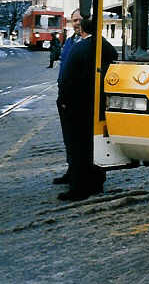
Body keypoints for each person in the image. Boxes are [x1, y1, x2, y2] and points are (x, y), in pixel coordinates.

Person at [57, 15, 117, 201]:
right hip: (96, 102)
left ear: (82, 28)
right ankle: (96, 182)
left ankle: (78, 187)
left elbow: (67, 77)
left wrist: (64, 100)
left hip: (76, 104)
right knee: (93, 143)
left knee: (77, 147)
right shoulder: (104, 45)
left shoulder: (79, 47)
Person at [53, 9, 84, 185]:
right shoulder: (70, 41)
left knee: (79, 138)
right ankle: (71, 169)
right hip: (64, 96)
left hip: (79, 98)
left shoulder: (90, 42)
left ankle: (80, 174)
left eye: (80, 20)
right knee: (68, 137)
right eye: (74, 20)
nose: (77, 23)